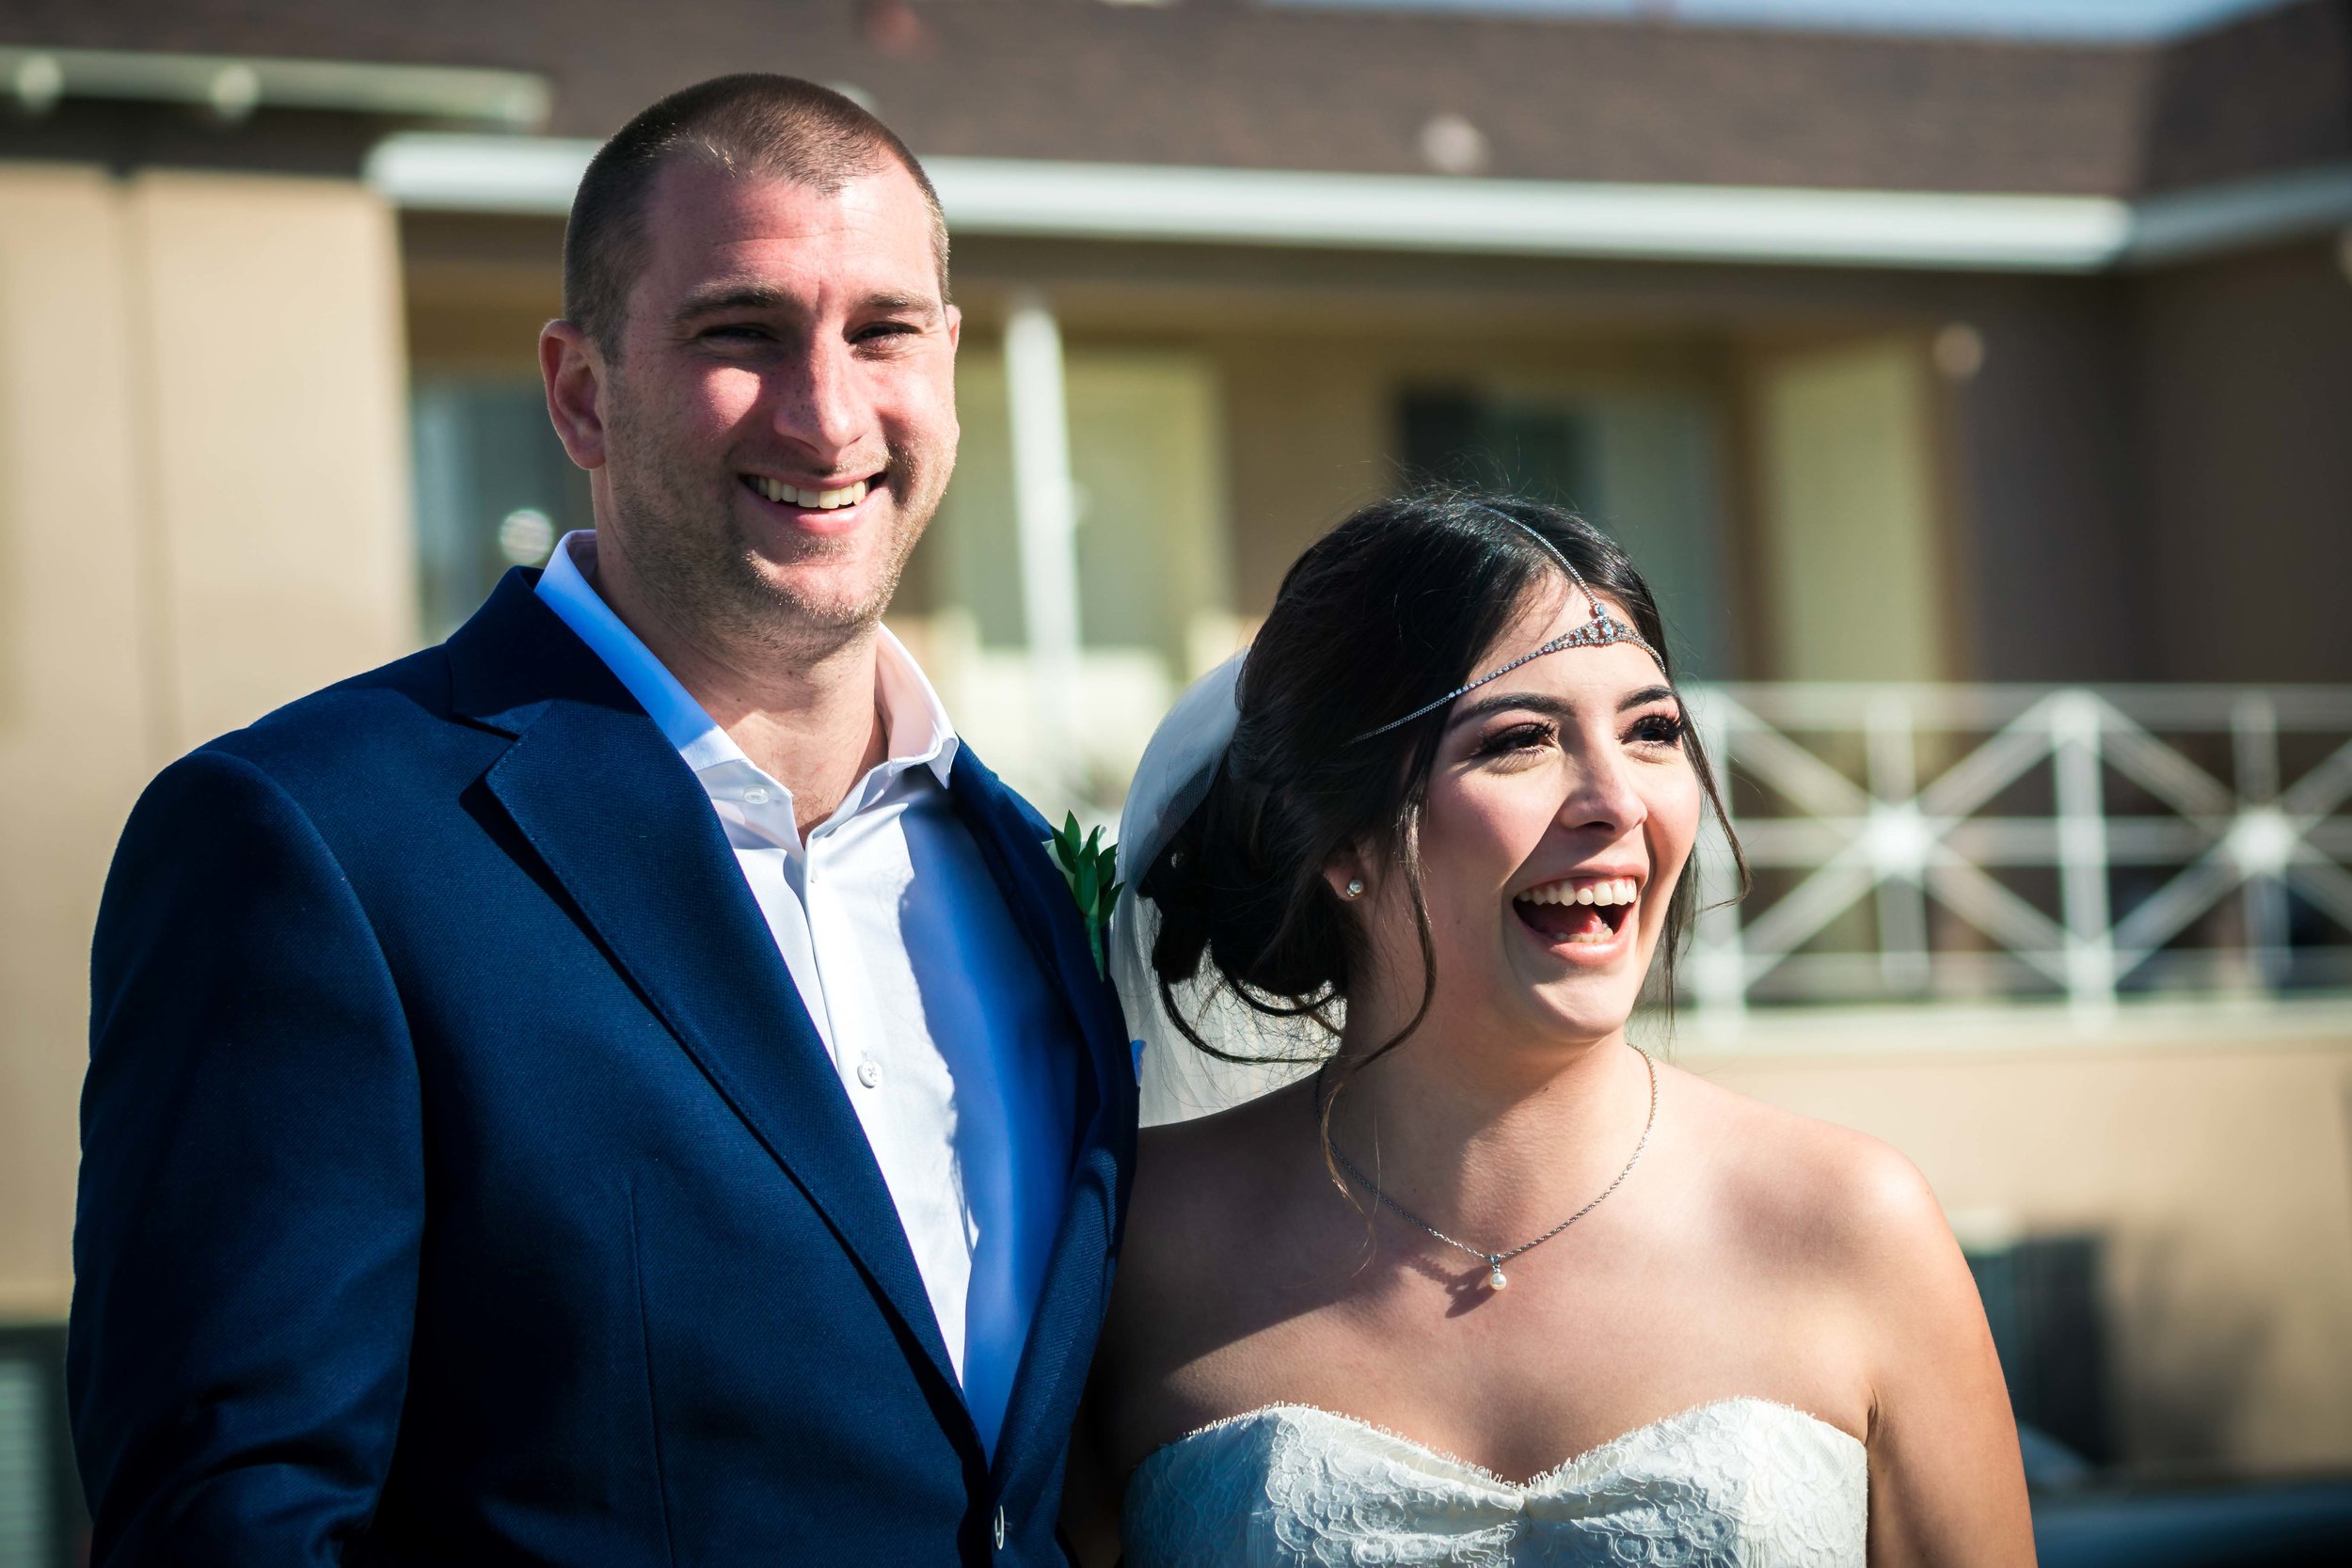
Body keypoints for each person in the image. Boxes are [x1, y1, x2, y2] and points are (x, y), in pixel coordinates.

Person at [72, 75, 1132, 1564]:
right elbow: (236, 1521)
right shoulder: (312, 843)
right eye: (739, 332)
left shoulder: (1024, 874)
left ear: (947, 365)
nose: (827, 413)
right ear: (580, 392)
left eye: (882, 330)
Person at [1072, 495, 2034, 1565]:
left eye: (1653, 730)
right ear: (1341, 838)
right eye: (1521, 740)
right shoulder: (1137, 1246)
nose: (1615, 800)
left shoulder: (1854, 1225)